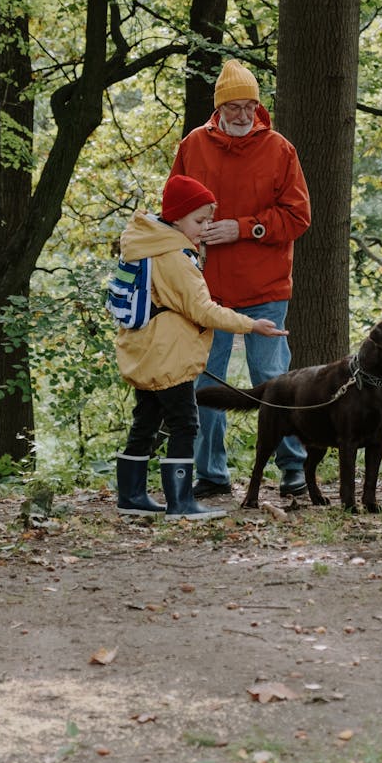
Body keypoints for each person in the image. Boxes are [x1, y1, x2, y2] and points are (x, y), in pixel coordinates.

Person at [168, 58, 311, 500]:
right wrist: (191, 231)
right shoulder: (193, 145)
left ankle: (294, 469)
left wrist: (244, 228)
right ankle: (212, 475)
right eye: (235, 107)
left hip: (265, 290)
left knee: (274, 378)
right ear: (219, 108)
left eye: (251, 106)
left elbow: (298, 217)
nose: (244, 115)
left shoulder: (280, 149)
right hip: (206, 291)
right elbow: (172, 209)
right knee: (207, 382)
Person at [114, 173, 288, 521]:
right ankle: (180, 503)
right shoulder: (174, 257)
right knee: (185, 424)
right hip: (168, 357)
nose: (204, 228)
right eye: (199, 220)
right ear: (176, 217)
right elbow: (203, 310)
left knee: (145, 422)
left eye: (208, 220)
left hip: (145, 352)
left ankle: (131, 496)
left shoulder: (144, 245)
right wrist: (252, 325)